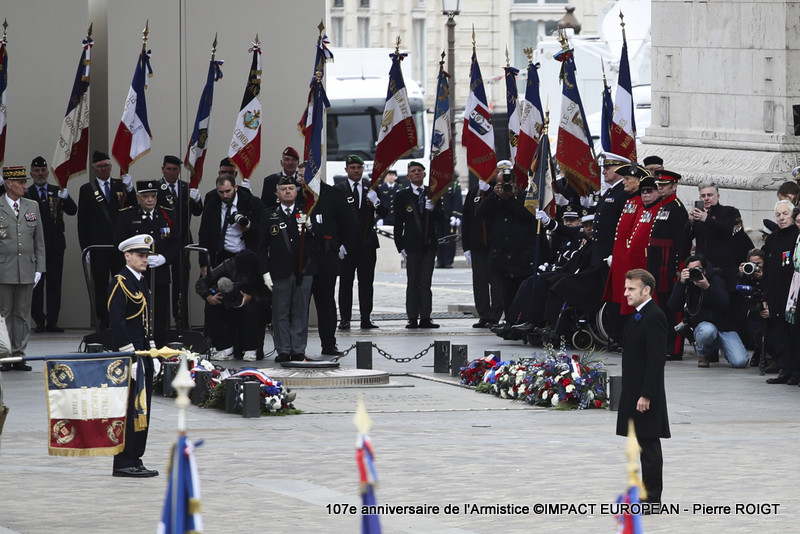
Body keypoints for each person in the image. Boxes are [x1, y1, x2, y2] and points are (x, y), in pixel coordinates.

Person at [616, 269, 670, 506]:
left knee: (649, 446)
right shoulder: (638, 314)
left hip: (645, 394)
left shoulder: (654, 316)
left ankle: (652, 499)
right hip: (634, 391)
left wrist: (646, 394)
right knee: (641, 444)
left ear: (646, 290)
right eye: (625, 288)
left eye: (631, 289)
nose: (625, 293)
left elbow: (656, 360)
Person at [108, 234, 158, 478]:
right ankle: (123, 460)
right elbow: (117, 323)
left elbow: (146, 322)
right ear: (127, 256)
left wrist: (153, 352)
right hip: (131, 356)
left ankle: (136, 457)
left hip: (144, 354)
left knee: (143, 409)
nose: (144, 260)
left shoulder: (140, 281)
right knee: (130, 410)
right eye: (140, 255)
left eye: (146, 256)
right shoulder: (120, 281)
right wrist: (131, 357)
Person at [476, 161, 545, 327]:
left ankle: (522, 322)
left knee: (522, 293)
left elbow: (529, 218)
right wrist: (495, 195)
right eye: (500, 183)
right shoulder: (495, 199)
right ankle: (509, 323)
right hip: (502, 256)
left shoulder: (525, 197)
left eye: (506, 183)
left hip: (522, 255)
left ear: (514, 183)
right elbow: (480, 213)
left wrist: (510, 198)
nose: (503, 186)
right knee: (506, 293)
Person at [114, 180, 182, 348]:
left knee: (159, 312)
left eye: (153, 196)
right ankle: (138, 345)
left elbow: (177, 242)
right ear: (138, 197)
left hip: (160, 272)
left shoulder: (167, 214)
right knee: (137, 310)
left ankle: (158, 346)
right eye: (146, 196)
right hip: (138, 275)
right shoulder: (127, 215)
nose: (150, 200)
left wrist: (164, 258)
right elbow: (119, 242)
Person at [77, 151, 136, 329]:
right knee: (101, 285)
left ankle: (121, 318)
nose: (104, 169)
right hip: (98, 246)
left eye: (107, 166)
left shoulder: (121, 185)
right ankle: (103, 321)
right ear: (94, 169)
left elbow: (132, 209)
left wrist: (131, 189)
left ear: (111, 167)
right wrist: (85, 247)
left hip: (120, 246)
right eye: (100, 167)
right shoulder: (87, 189)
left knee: (121, 283)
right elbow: (83, 222)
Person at [260, 177, 316, 362]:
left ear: (297, 191)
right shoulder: (269, 216)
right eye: (283, 189)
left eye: (291, 188)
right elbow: (261, 247)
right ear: (277, 193)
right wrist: (265, 272)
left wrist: (311, 228)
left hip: (303, 269)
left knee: (300, 311)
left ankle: (298, 349)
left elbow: (317, 240)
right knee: (280, 311)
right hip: (279, 270)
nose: (287, 191)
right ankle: (283, 350)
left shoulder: (306, 212)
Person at [297, 162, 350, 356]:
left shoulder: (334, 195)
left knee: (326, 303)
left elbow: (348, 224)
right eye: (300, 176)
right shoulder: (296, 196)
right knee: (300, 305)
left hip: (326, 258)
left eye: (306, 175)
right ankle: (297, 347)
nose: (302, 179)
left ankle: (329, 344)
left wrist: (341, 245)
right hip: (302, 260)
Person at [335, 154, 388, 330]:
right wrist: (338, 244)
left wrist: (376, 201)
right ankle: (345, 319)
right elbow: (335, 219)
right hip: (347, 245)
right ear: (346, 170)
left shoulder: (371, 188)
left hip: (367, 244)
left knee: (366, 283)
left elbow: (385, 213)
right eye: (353, 168)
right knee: (345, 283)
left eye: (359, 168)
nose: (356, 171)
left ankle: (366, 318)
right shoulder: (339, 190)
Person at [0, 166, 45, 372]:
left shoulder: (32, 206)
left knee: (23, 314)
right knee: (4, 314)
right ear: (9, 184)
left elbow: (39, 240)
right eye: (20, 183)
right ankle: (4, 354)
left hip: (26, 268)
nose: (24, 186)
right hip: (4, 269)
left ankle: (18, 354)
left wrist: (39, 267)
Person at [24, 156, 77, 333]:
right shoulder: (26, 193)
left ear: (48, 172)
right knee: (37, 285)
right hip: (34, 247)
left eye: (43, 170)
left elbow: (72, 211)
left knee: (55, 284)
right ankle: (39, 320)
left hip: (55, 246)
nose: (40, 174)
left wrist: (67, 197)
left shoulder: (57, 191)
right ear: (31, 173)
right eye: (37, 171)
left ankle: (53, 321)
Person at [667, 254, 749, 368]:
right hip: (704, 328)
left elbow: (725, 303)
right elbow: (672, 306)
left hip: (725, 328)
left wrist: (708, 287)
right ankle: (703, 354)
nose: (694, 272)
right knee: (708, 331)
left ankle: (726, 349)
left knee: (741, 362)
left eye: (697, 269)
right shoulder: (687, 284)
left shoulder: (717, 279)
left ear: (704, 270)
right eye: (691, 270)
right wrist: (681, 283)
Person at [393, 161, 445, 329]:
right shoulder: (402, 196)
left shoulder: (433, 193)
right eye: (413, 171)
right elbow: (398, 224)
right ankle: (412, 317)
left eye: (419, 171)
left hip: (429, 245)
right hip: (411, 246)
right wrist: (400, 247)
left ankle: (425, 317)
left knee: (425, 282)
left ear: (424, 174)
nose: (416, 173)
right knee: (413, 282)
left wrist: (434, 208)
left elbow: (442, 219)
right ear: (408, 176)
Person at [156, 155, 203, 329]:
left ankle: (181, 319)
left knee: (181, 282)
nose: (171, 172)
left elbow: (198, 212)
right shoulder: (156, 187)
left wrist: (197, 199)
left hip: (183, 240)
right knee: (161, 282)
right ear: (162, 169)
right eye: (168, 169)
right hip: (163, 241)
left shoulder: (186, 187)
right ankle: (163, 322)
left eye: (175, 169)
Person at [195, 249, 267, 362]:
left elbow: (268, 296)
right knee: (211, 307)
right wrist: (209, 297)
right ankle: (225, 348)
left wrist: (252, 297)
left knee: (253, 309)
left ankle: (251, 349)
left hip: (250, 305)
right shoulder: (228, 265)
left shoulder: (259, 269)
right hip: (227, 304)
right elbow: (201, 283)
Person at [646, 169, 689, 360]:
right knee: (661, 305)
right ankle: (664, 344)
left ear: (674, 186)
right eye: (659, 185)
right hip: (658, 265)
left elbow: (682, 242)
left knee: (673, 308)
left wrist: (680, 268)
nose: (660, 188)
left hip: (670, 266)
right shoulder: (663, 206)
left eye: (664, 186)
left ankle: (675, 348)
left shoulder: (677, 208)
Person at [684, 182, 752, 291]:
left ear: (718, 196)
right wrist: (690, 222)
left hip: (723, 270)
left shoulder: (729, 211)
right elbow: (684, 239)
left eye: (709, 195)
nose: (706, 198)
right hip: (702, 269)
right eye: (703, 196)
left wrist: (707, 219)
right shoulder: (698, 216)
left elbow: (727, 229)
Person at [762, 200, 800, 383]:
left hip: (792, 295)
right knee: (779, 334)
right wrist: (765, 296)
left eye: (785, 214)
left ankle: (795, 371)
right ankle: (784, 368)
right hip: (775, 295)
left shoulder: (797, 237)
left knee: (792, 333)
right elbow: (767, 270)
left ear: (792, 216)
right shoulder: (773, 239)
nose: (782, 218)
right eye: (778, 215)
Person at [198, 174, 264, 271]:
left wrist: (250, 227)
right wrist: (204, 263)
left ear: (235, 188)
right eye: (221, 192)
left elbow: (264, 229)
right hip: (221, 256)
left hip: (248, 256)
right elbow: (204, 234)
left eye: (228, 191)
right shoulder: (212, 205)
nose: (225, 195)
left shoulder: (252, 203)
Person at [462, 172, 502, 328]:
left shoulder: (497, 190)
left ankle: (495, 315)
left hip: (494, 244)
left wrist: (491, 191)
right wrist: (466, 247)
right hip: (477, 244)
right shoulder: (474, 191)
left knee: (496, 281)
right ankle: (483, 315)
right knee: (479, 282)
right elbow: (467, 219)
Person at [435, 179, 463, 268]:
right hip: (439, 217)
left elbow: (457, 200)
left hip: (450, 217)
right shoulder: (437, 183)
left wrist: (456, 215)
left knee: (449, 239)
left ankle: (448, 260)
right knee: (439, 239)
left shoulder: (454, 185)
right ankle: (440, 260)